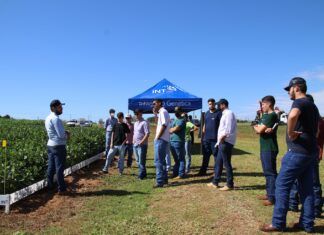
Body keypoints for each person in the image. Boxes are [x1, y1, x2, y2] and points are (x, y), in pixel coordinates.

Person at [261, 77, 319, 233]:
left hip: (298, 152)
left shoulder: (299, 102)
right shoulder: (313, 106)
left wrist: (291, 132)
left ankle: (278, 223)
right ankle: (307, 224)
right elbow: (317, 129)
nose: (288, 93)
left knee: (281, 185)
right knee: (306, 189)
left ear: (297, 88)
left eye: (290, 90)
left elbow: (292, 116)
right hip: (310, 151)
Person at [288, 94, 323, 217]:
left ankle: (316, 209)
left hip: (308, 153)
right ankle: (294, 204)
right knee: (301, 182)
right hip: (305, 152)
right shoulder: (310, 119)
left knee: (312, 183)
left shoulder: (317, 121)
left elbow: (319, 138)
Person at [253, 96, 279, 206]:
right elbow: (260, 129)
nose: (262, 106)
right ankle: (269, 194)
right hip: (265, 147)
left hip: (269, 148)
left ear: (269, 104)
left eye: (263, 104)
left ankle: (272, 197)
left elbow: (258, 130)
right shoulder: (266, 115)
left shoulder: (271, 115)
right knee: (267, 172)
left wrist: (255, 125)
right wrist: (258, 126)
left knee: (270, 173)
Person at [208, 99, 237, 191]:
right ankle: (215, 182)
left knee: (226, 163)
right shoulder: (225, 114)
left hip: (226, 142)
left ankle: (229, 184)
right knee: (218, 162)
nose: (217, 107)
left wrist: (223, 138)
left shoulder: (228, 114)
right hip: (222, 142)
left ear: (223, 105)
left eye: (218, 105)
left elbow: (228, 129)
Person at [45, 99, 70, 195]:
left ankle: (50, 185)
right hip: (58, 146)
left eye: (61, 107)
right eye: (59, 107)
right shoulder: (56, 119)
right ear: (53, 108)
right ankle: (62, 189)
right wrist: (67, 134)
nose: (61, 109)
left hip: (50, 145)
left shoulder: (47, 118)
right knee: (59, 167)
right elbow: (61, 135)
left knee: (51, 167)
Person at [198, 98, 222, 176]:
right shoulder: (207, 113)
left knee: (216, 156)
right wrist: (203, 135)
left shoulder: (219, 113)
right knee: (205, 156)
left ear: (214, 104)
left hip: (215, 139)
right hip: (206, 139)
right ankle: (203, 171)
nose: (211, 105)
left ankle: (216, 172)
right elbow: (205, 124)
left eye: (212, 104)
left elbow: (222, 125)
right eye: (209, 104)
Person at [153, 99, 170, 188]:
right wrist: (155, 114)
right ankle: (164, 179)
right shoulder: (162, 112)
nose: (153, 105)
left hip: (161, 139)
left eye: (154, 103)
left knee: (158, 161)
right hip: (163, 139)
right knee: (162, 161)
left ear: (159, 103)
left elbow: (164, 125)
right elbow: (158, 124)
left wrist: (158, 137)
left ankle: (160, 181)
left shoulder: (163, 111)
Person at [169, 107, 186, 179]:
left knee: (181, 159)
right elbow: (169, 129)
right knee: (176, 159)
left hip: (178, 141)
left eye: (177, 111)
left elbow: (176, 129)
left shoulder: (182, 120)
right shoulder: (175, 120)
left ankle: (181, 174)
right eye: (175, 111)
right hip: (172, 141)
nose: (176, 112)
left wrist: (172, 129)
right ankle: (175, 173)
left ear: (181, 112)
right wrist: (172, 129)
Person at [133, 109, 150, 180]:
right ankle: (144, 173)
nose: (136, 115)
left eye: (137, 114)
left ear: (141, 114)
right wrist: (133, 141)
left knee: (141, 161)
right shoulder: (135, 123)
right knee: (137, 160)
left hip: (142, 145)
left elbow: (147, 133)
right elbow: (135, 133)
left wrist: (142, 142)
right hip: (135, 144)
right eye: (135, 114)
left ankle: (141, 175)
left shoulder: (144, 122)